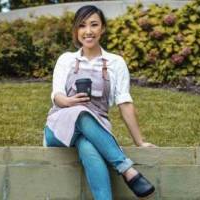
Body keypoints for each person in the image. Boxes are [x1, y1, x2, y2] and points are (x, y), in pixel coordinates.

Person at [43, 5, 156, 199]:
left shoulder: (115, 63)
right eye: (82, 26)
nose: (88, 31)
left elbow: (124, 103)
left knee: (88, 146)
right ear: (76, 30)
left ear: (102, 28)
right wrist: (70, 102)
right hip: (59, 127)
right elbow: (57, 95)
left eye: (94, 25)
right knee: (80, 112)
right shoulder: (66, 59)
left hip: (96, 130)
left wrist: (140, 142)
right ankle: (127, 169)